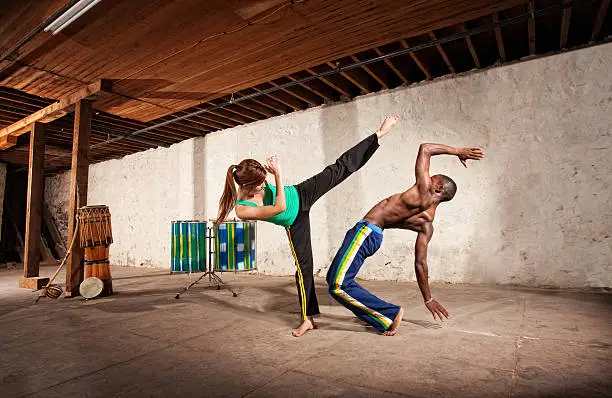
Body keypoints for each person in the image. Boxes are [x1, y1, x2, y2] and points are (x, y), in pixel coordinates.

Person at [216, 115, 400, 337]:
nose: (265, 184)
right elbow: (280, 207)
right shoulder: (243, 209)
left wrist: (380, 132)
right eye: (262, 183)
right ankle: (307, 319)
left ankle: (378, 135)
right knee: (304, 270)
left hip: (301, 192)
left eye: (265, 179)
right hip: (295, 222)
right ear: (246, 186)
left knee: (338, 168)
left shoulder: (257, 181)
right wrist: (278, 173)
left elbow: (285, 195)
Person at [326, 142, 485, 336]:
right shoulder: (428, 224)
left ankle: (390, 314)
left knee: (338, 283)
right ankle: (376, 316)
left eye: (432, 177)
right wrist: (428, 298)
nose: (427, 176)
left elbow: (425, 148)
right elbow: (420, 263)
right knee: (335, 279)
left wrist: (459, 151)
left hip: (366, 232)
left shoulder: (424, 190)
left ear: (438, 188)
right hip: (373, 236)